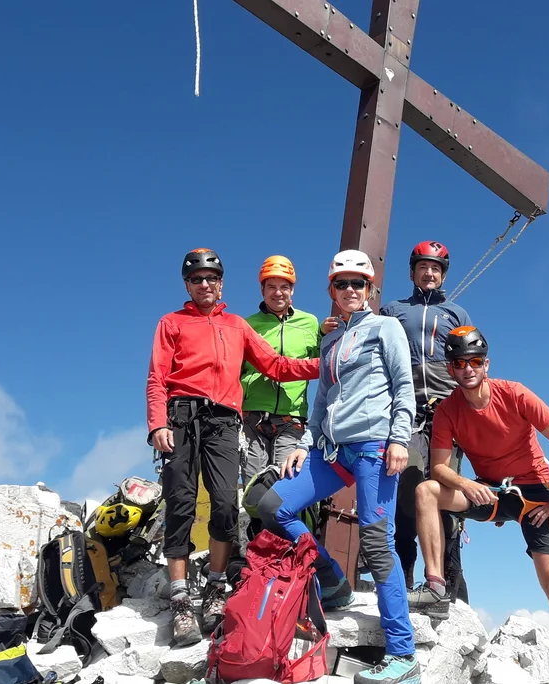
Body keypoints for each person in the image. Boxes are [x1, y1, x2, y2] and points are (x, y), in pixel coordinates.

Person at [257, 249, 421, 684]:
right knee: (274, 507)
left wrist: (399, 439)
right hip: (331, 450)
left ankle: (403, 655)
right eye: (341, 283)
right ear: (331, 288)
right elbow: (323, 399)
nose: (350, 289)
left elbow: (404, 386)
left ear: (370, 289)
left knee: (377, 543)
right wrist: (305, 444)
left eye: (358, 283)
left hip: (374, 446)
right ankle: (332, 581)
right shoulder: (330, 340)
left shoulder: (386, 327)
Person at [146, 248, 321, 647]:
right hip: (180, 418)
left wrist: (326, 364)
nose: (204, 284)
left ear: (221, 283)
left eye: (211, 278)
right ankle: (180, 600)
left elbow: (276, 366)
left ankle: (214, 586)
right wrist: (157, 423)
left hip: (224, 421)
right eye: (196, 279)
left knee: (226, 502)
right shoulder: (171, 322)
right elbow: (157, 376)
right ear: (187, 285)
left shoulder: (237, 326)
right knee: (180, 502)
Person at [405, 326, 549, 684]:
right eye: (459, 363)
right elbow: (439, 467)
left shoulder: (514, 393)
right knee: (426, 491)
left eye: (474, 361)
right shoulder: (448, 410)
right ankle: (436, 584)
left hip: (536, 494)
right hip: (489, 491)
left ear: (486, 364)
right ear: (450, 369)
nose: (467, 369)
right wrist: (468, 484)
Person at [379, 240, 473, 600]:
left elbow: (471, 364)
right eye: (423, 267)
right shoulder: (393, 310)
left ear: (443, 275)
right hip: (407, 412)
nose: (429, 273)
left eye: (436, 268)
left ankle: (450, 585)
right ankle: (403, 580)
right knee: (407, 492)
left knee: (445, 494)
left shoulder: (457, 313)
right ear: (412, 272)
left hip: (449, 414)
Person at [239, 255, 321, 488]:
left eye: (284, 287)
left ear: (292, 290)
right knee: (253, 487)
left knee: (284, 486)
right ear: (262, 290)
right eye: (271, 287)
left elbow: (323, 364)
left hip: (291, 418)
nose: (278, 293)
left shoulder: (310, 323)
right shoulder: (247, 325)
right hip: (252, 418)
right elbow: (235, 371)